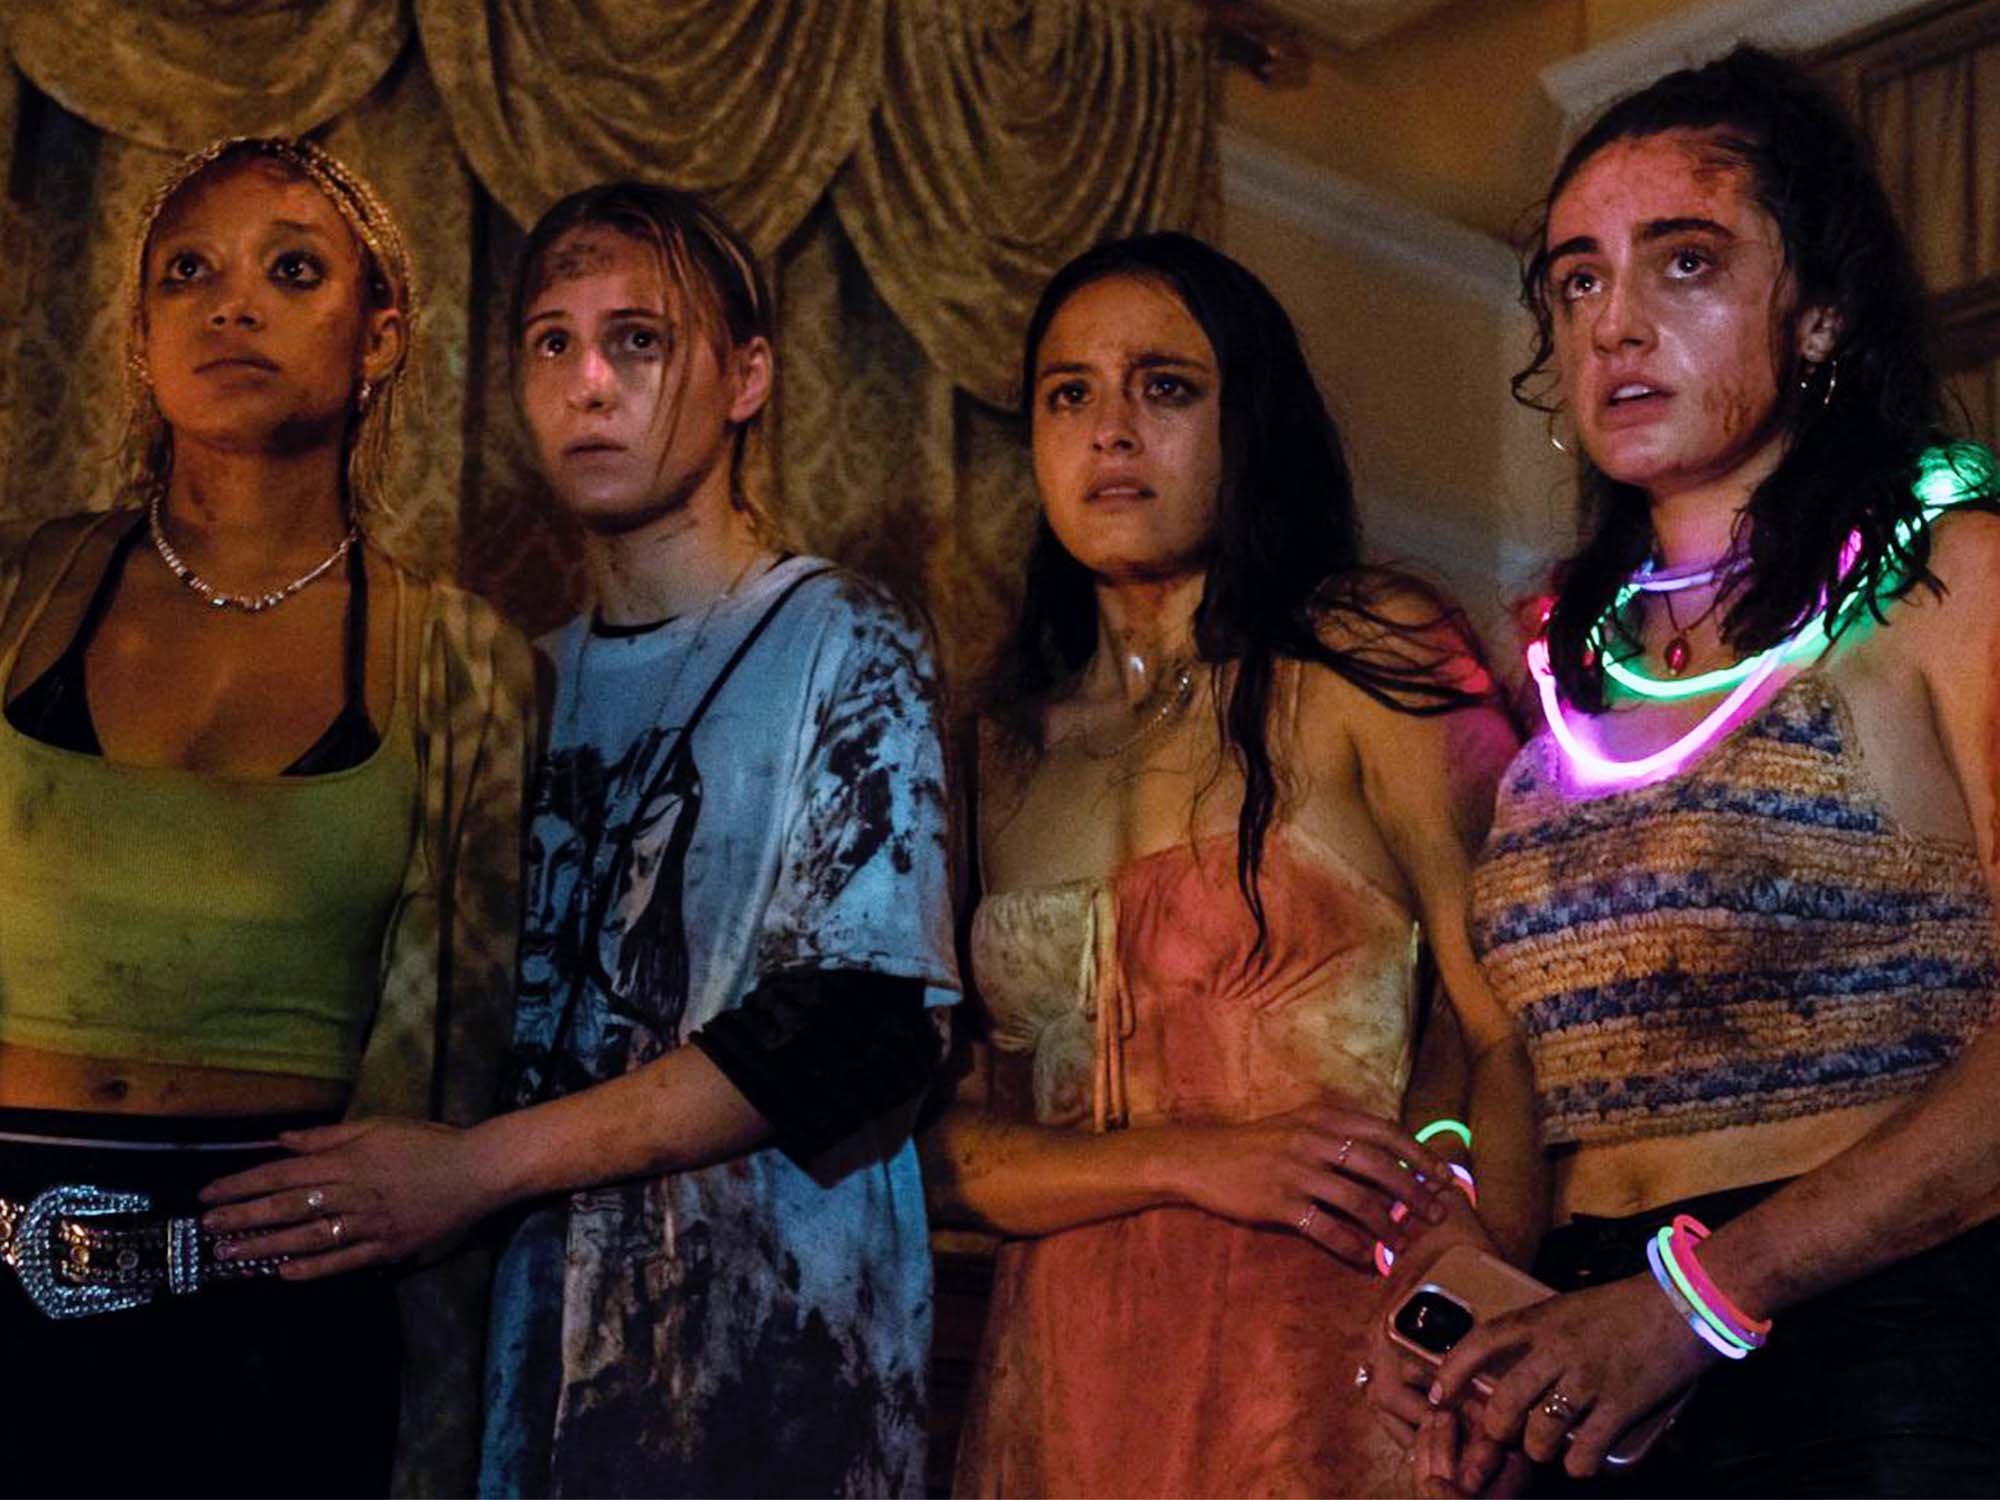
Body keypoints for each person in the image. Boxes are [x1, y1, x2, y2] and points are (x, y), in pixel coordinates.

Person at [202, 182, 961, 1497]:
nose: (589, 381)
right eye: (552, 341)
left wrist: (470, 1172)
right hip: (530, 1381)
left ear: (746, 378)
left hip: (771, 1374)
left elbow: (861, 1025)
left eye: (639, 340)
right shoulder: (511, 681)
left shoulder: (841, 637)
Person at [1369, 46, 2000, 1499]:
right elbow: (1501, 1046)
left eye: (1687, 263)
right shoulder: (1563, 663)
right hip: (1588, 1364)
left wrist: (1699, 1300)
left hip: (1873, 1354)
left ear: (1821, 313)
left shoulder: (1951, 584)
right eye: (1577, 280)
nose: (1615, 323)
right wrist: (1453, 1266)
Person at [925, 232, 1541, 1497]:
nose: (1110, 430)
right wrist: (1190, 1156)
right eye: (1068, 393)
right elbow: (936, 1148)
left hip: (1330, 1347)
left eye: (1163, 386)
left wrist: (1482, 1312)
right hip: (1062, 1372)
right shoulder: (998, 746)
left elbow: (1512, 1025)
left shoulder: (1369, 652)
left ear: (1247, 420)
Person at [0, 136, 532, 1495]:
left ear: (380, 337)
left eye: (292, 272)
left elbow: (470, 1051)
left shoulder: (461, 662)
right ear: (140, 340)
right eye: (188, 273)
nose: (231, 305)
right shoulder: (20, 598)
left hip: (286, 1322)